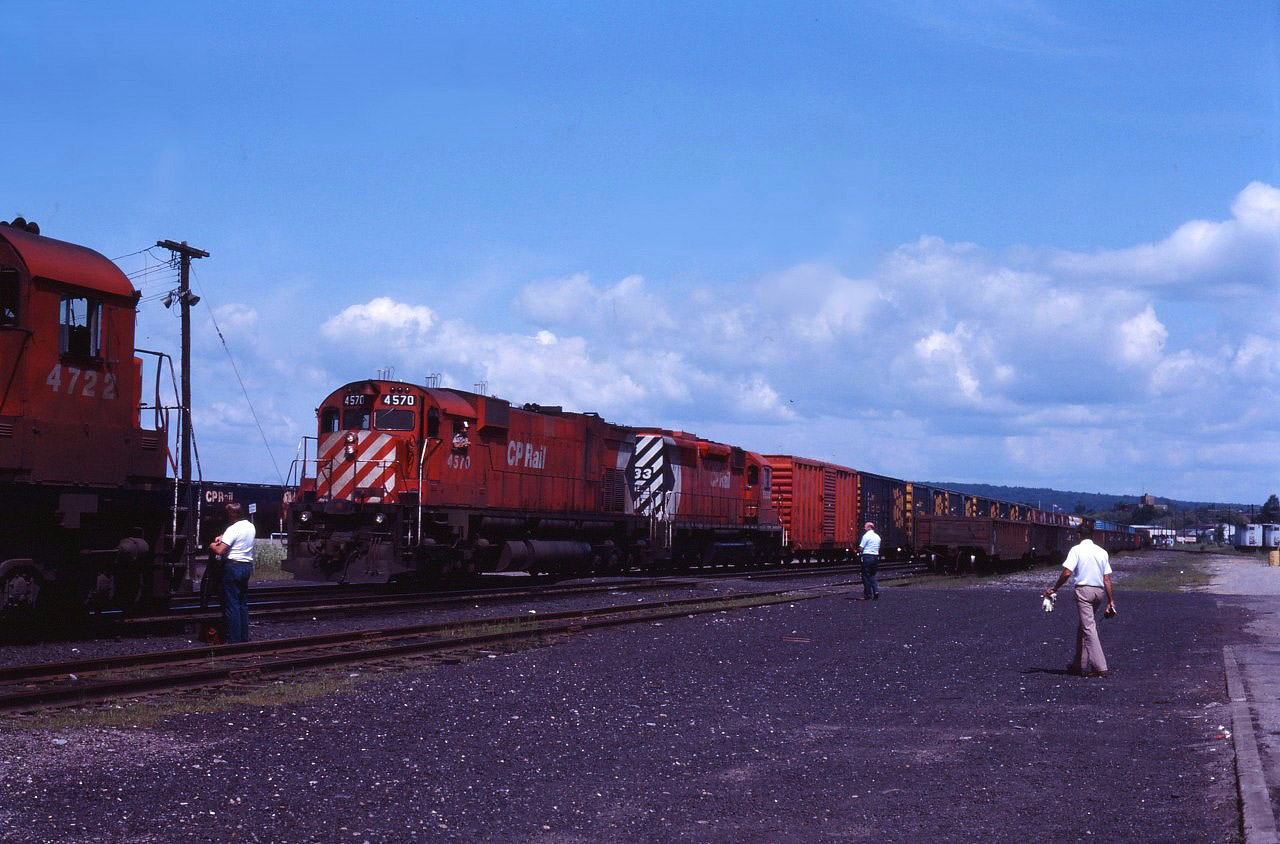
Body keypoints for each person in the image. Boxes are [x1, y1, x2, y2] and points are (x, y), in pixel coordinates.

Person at [1043, 519, 1116, 677]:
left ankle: (1100, 667)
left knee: (1088, 627)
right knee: (1084, 625)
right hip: (1099, 592)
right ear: (1092, 535)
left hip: (1083, 591)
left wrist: (1055, 588)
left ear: (1079, 535)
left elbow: (1067, 572)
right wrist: (1111, 601)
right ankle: (1079, 664)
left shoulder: (1076, 550)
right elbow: (1107, 579)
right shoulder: (1102, 552)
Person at [209, 502, 255, 643]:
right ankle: (243, 638)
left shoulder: (232, 529)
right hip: (246, 567)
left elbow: (220, 550)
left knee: (232, 605)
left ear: (230, 516)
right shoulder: (250, 526)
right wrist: (224, 536)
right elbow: (236, 537)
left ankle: (234, 640)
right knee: (242, 603)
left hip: (232, 567)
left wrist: (211, 544)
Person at [858, 521, 881, 601]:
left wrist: (858, 551)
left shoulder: (866, 536)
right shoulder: (877, 537)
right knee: (872, 575)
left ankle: (868, 595)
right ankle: (876, 591)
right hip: (875, 557)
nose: (864, 527)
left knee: (865, 576)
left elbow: (861, 547)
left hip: (867, 556)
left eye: (865, 526)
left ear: (869, 527)